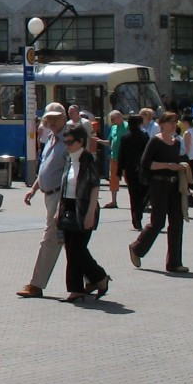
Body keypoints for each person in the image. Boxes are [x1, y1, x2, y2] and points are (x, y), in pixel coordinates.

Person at [17, 106, 74, 298]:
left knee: (50, 238)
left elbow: (69, 173)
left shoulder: (68, 140)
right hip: (48, 195)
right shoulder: (51, 139)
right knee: (70, 241)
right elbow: (44, 168)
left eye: (56, 119)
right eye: (49, 119)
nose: (52, 122)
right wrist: (33, 189)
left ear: (64, 117)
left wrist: (62, 204)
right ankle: (94, 277)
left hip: (60, 196)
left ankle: (36, 284)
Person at [129, 111, 189, 274]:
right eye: (169, 122)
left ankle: (174, 263)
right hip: (158, 185)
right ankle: (137, 248)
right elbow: (146, 163)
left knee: (177, 222)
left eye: (175, 122)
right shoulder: (155, 140)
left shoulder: (176, 143)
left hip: (174, 185)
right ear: (161, 124)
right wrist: (168, 165)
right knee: (158, 222)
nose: (173, 125)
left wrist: (180, 168)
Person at [54, 123, 109, 301]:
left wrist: (91, 213)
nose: (67, 145)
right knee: (70, 249)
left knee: (78, 249)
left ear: (81, 142)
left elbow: (94, 187)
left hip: (84, 208)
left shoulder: (89, 160)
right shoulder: (69, 160)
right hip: (67, 207)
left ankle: (99, 277)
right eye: (65, 142)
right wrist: (58, 210)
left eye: (70, 142)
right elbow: (64, 186)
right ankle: (76, 289)